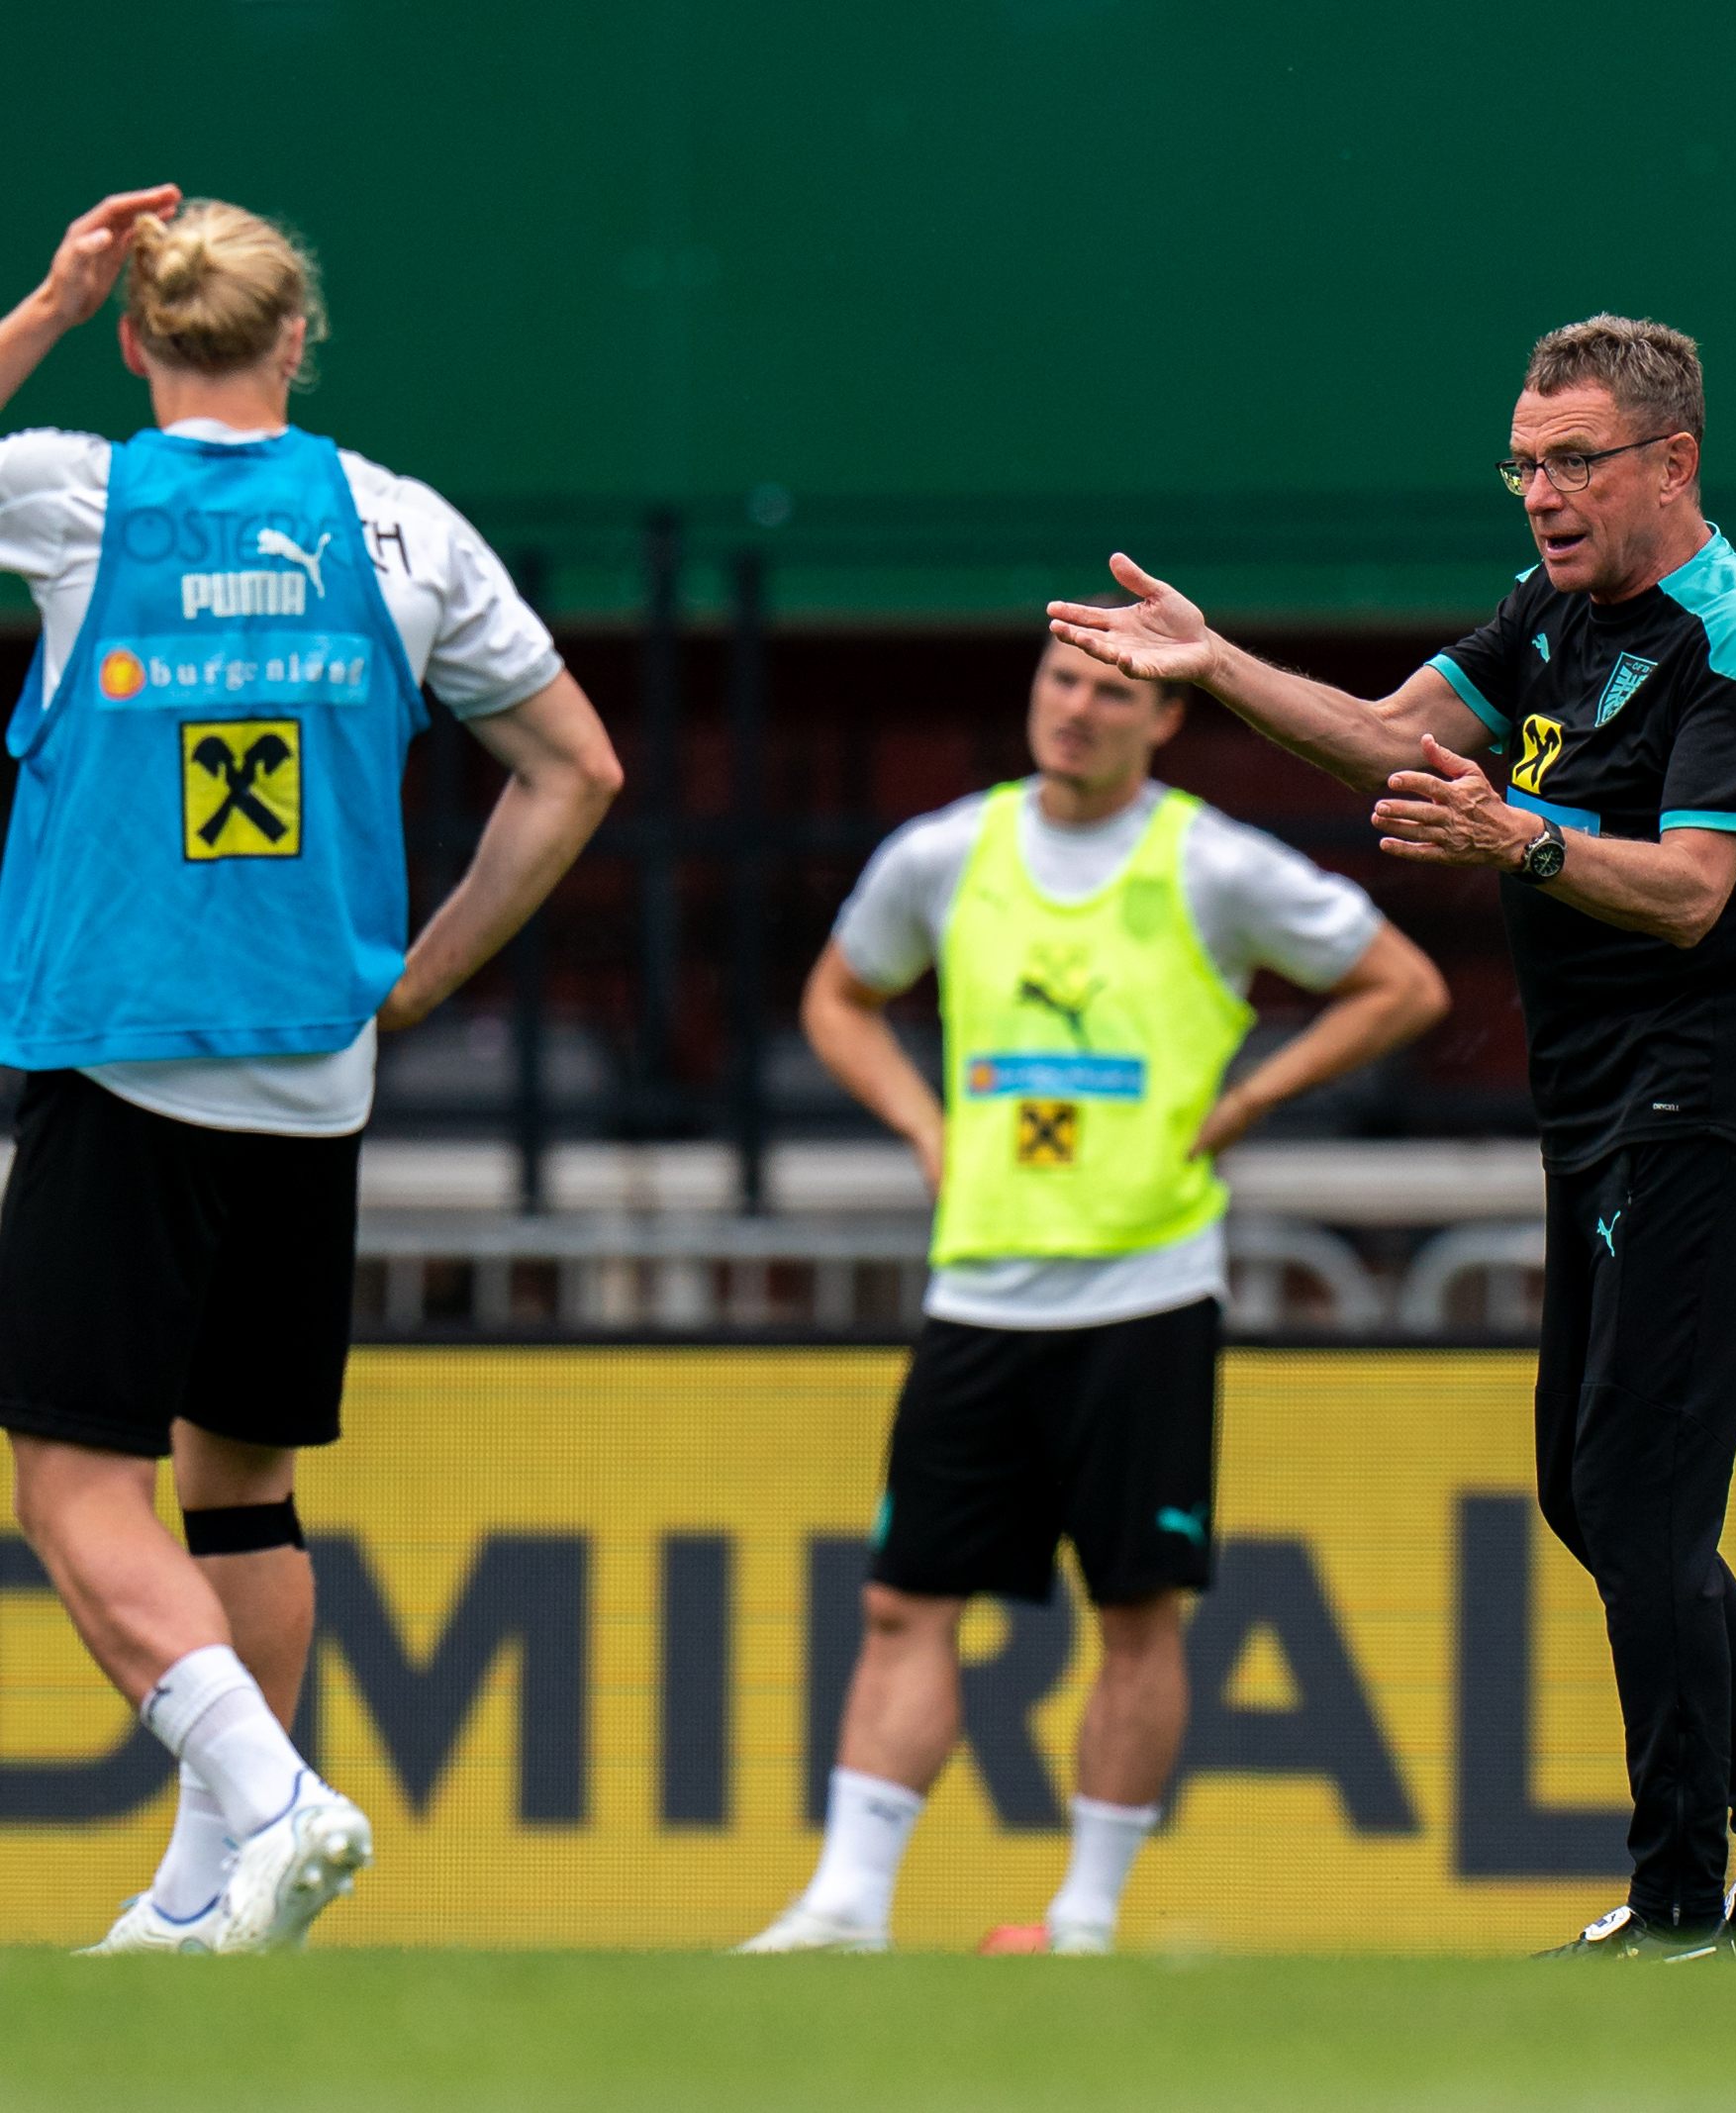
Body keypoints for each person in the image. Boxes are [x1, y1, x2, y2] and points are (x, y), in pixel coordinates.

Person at [1048, 315, 1736, 1963]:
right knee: (1598, 1500)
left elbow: (1696, 893)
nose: (1543, 495)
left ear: (1672, 462)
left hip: (1705, 1087)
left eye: (1575, 461)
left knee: (1638, 1499)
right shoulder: (1556, 618)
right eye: (1525, 461)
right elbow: (1381, 732)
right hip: (1602, 1098)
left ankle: (1682, 1902)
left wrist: (1525, 837)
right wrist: (1214, 670)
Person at [0, 189, 623, 1954]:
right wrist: (418, 983)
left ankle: (269, 1797)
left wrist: (41, 302)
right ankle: (210, 1897)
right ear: (296, 343)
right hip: (315, 1078)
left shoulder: (76, 494)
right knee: (243, 1489)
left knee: (71, 1480)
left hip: (126, 1059)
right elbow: (574, 772)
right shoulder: (403, 528)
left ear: (139, 342)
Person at [738, 631, 1447, 1954]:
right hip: (982, 1289)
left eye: (1113, 691)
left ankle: (1083, 1917)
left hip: (1146, 1288)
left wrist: (1248, 1102)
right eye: (1063, 681)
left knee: (1134, 1613)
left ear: (1163, 721)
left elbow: (1402, 985)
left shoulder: (1213, 862)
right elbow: (841, 997)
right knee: (905, 1601)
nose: (1077, 708)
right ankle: (846, 1903)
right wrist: (921, 1125)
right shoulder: (946, 856)